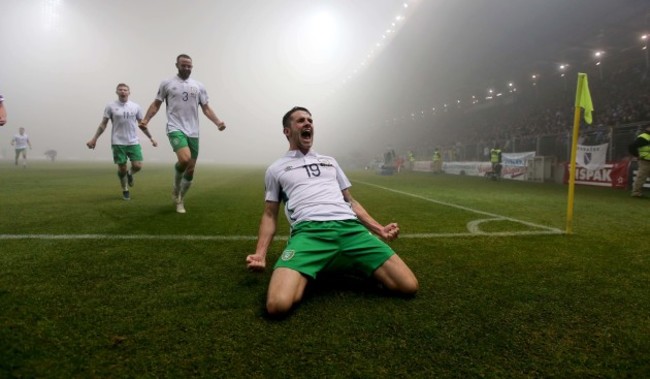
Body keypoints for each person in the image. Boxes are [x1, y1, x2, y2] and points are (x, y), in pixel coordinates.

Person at [246, 106, 418, 316]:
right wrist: (260, 253)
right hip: (309, 234)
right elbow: (269, 214)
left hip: (350, 230)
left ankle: (336, 262)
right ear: (287, 131)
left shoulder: (330, 162)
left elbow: (351, 201)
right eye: (300, 121)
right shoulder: (276, 169)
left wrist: (379, 229)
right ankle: (323, 266)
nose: (307, 123)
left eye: (310, 120)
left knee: (408, 286)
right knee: (277, 305)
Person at [139, 54, 227, 214]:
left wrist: (218, 122)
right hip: (175, 127)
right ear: (177, 65)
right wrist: (146, 119)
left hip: (193, 131)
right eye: (183, 65)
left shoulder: (198, 85)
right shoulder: (167, 83)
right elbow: (156, 104)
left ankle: (180, 198)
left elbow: (206, 108)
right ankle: (175, 187)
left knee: (191, 169)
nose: (187, 68)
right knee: (184, 159)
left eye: (189, 66)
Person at [87, 83, 157, 200]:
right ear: (117, 92)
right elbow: (103, 124)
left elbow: (142, 124)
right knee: (122, 167)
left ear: (129, 92)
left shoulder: (135, 107)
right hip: (118, 141)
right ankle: (125, 189)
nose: (123, 91)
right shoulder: (110, 106)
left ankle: (130, 174)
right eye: (120, 90)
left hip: (133, 141)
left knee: (138, 165)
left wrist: (151, 138)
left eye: (125, 90)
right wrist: (94, 139)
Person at [628, 125, 650, 198]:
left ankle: (636, 191)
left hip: (646, 160)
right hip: (645, 161)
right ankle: (636, 192)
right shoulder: (643, 137)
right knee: (641, 177)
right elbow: (632, 147)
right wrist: (637, 155)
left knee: (641, 176)